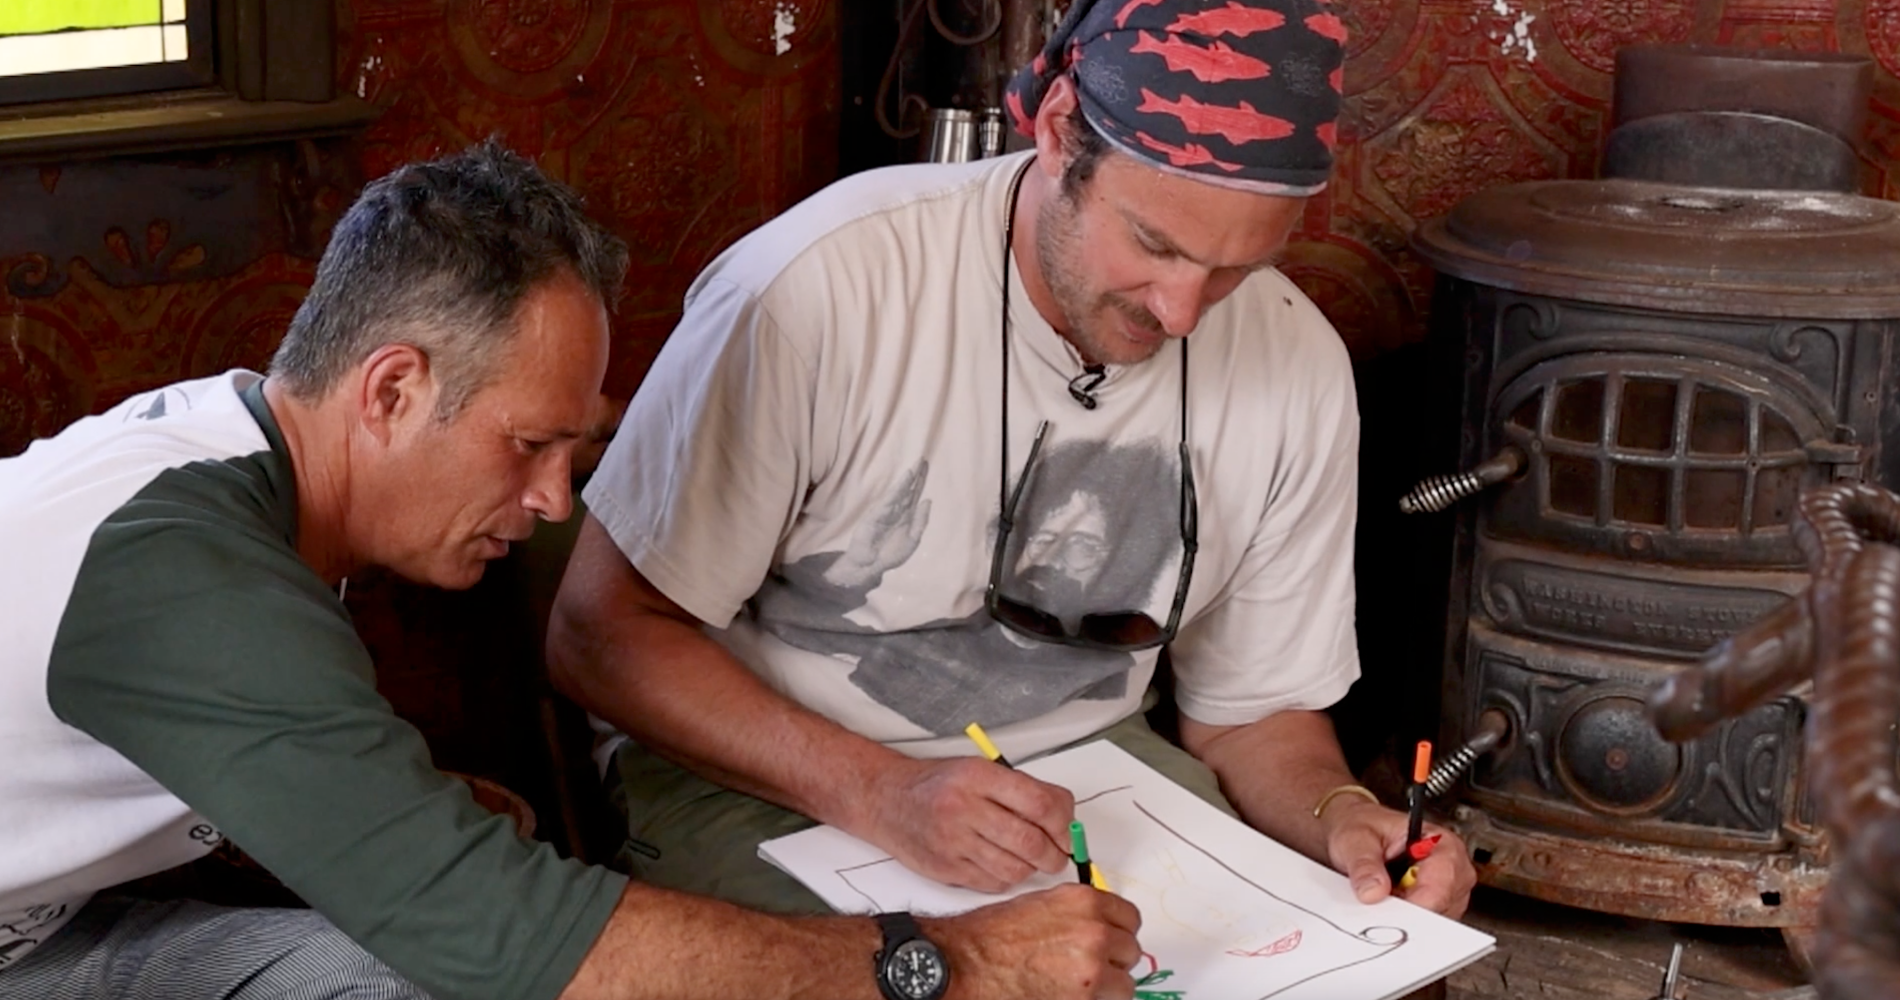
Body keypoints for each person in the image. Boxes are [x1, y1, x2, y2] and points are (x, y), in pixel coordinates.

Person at [0, 141, 1137, 1000]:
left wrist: (378, 806)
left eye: (571, 451)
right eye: (529, 443)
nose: (554, 500)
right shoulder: (190, 574)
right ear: (390, 390)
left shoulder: (239, 450)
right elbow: (512, 939)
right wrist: (956, 961)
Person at [548, 0, 1479, 935]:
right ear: (1061, 129)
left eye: (1235, 270)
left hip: (1098, 774)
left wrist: (1340, 817)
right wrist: (882, 792)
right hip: (767, 777)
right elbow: (601, 634)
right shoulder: (818, 290)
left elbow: (1252, 718)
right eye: (1155, 245)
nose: (1185, 312)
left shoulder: (1295, 361)